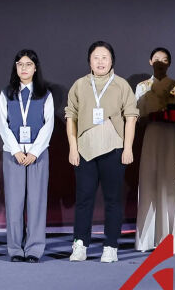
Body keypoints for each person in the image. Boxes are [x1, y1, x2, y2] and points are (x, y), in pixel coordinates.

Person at [65, 41, 138, 263]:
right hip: (85, 151)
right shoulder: (79, 85)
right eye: (96, 57)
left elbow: (131, 118)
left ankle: (111, 245)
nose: (100, 62)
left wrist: (128, 148)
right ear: (89, 61)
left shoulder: (121, 85)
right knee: (84, 199)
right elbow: (71, 117)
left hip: (113, 149)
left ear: (112, 60)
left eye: (104, 57)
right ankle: (80, 244)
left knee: (113, 200)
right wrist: (73, 148)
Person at [134, 47, 175, 254]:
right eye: (156, 59)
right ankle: (149, 239)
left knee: (174, 182)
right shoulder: (142, 87)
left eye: (164, 60)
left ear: (169, 63)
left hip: (172, 138)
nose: (160, 63)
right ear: (150, 62)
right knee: (151, 182)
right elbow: (137, 118)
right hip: (152, 137)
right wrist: (152, 116)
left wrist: (168, 114)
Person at [0, 49, 55, 263]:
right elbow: (2, 124)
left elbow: (48, 125)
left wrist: (34, 152)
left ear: (35, 68)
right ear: (15, 67)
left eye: (28, 64)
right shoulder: (6, 93)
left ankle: (34, 249)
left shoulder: (45, 94)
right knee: (14, 203)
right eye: (20, 64)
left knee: (36, 202)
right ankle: (14, 249)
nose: (24, 68)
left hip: (37, 154)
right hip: (14, 155)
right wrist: (16, 151)